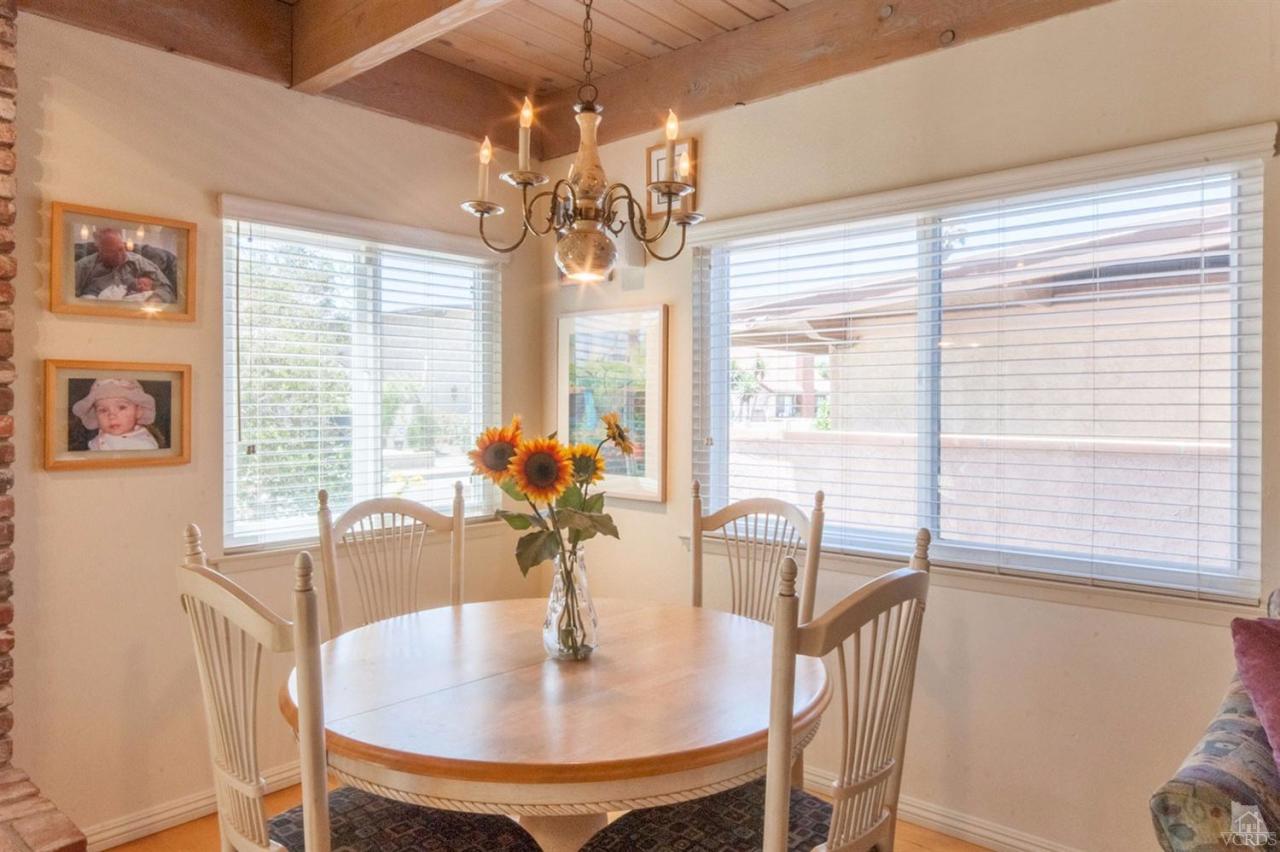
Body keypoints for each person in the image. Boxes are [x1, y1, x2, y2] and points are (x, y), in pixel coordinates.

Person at [74, 228, 175, 303]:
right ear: (100, 250)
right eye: (112, 252)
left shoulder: (138, 262)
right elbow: (68, 296)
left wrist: (154, 300)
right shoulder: (84, 266)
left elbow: (166, 288)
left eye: (121, 249)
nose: (119, 256)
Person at [70, 378, 163, 451]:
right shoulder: (98, 438)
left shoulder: (144, 445)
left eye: (121, 407)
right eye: (103, 410)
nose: (111, 416)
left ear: (138, 411)